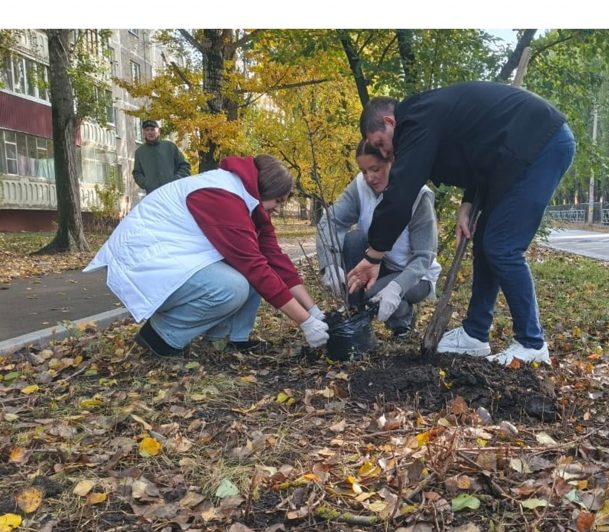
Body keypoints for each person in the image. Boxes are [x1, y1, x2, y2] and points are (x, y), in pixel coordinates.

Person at [348, 81, 575, 365]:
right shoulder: (427, 113)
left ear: (390, 121)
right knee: (486, 244)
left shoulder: (416, 120)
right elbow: (482, 151)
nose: (386, 153)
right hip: (515, 155)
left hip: (541, 145)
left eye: (381, 143)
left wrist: (374, 254)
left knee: (502, 246)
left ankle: (531, 343)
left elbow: (402, 191)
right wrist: (468, 202)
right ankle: (475, 334)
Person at [85, 154, 329, 357]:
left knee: (257, 273)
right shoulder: (223, 197)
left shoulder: (246, 200)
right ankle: (160, 337)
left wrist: (314, 311)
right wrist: (304, 322)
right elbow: (254, 266)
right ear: (267, 188)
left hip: (173, 256)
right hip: (146, 262)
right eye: (278, 200)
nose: (277, 208)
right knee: (232, 286)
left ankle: (227, 340)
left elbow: (275, 259)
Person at [317, 140, 442, 338]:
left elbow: (423, 258)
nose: (369, 178)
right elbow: (330, 222)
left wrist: (397, 286)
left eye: (375, 169)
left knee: (374, 295)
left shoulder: (418, 196)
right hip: (377, 263)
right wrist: (329, 265)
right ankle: (356, 317)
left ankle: (401, 322)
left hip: (415, 274)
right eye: (364, 171)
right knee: (354, 238)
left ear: (392, 162)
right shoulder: (360, 186)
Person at [132, 119, 191, 194]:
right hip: (153, 194)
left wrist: (175, 180)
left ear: (158, 131)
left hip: (173, 192)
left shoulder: (170, 147)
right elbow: (137, 173)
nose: (150, 132)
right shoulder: (140, 152)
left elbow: (184, 166)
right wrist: (146, 183)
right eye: (147, 130)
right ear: (144, 133)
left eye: (153, 129)